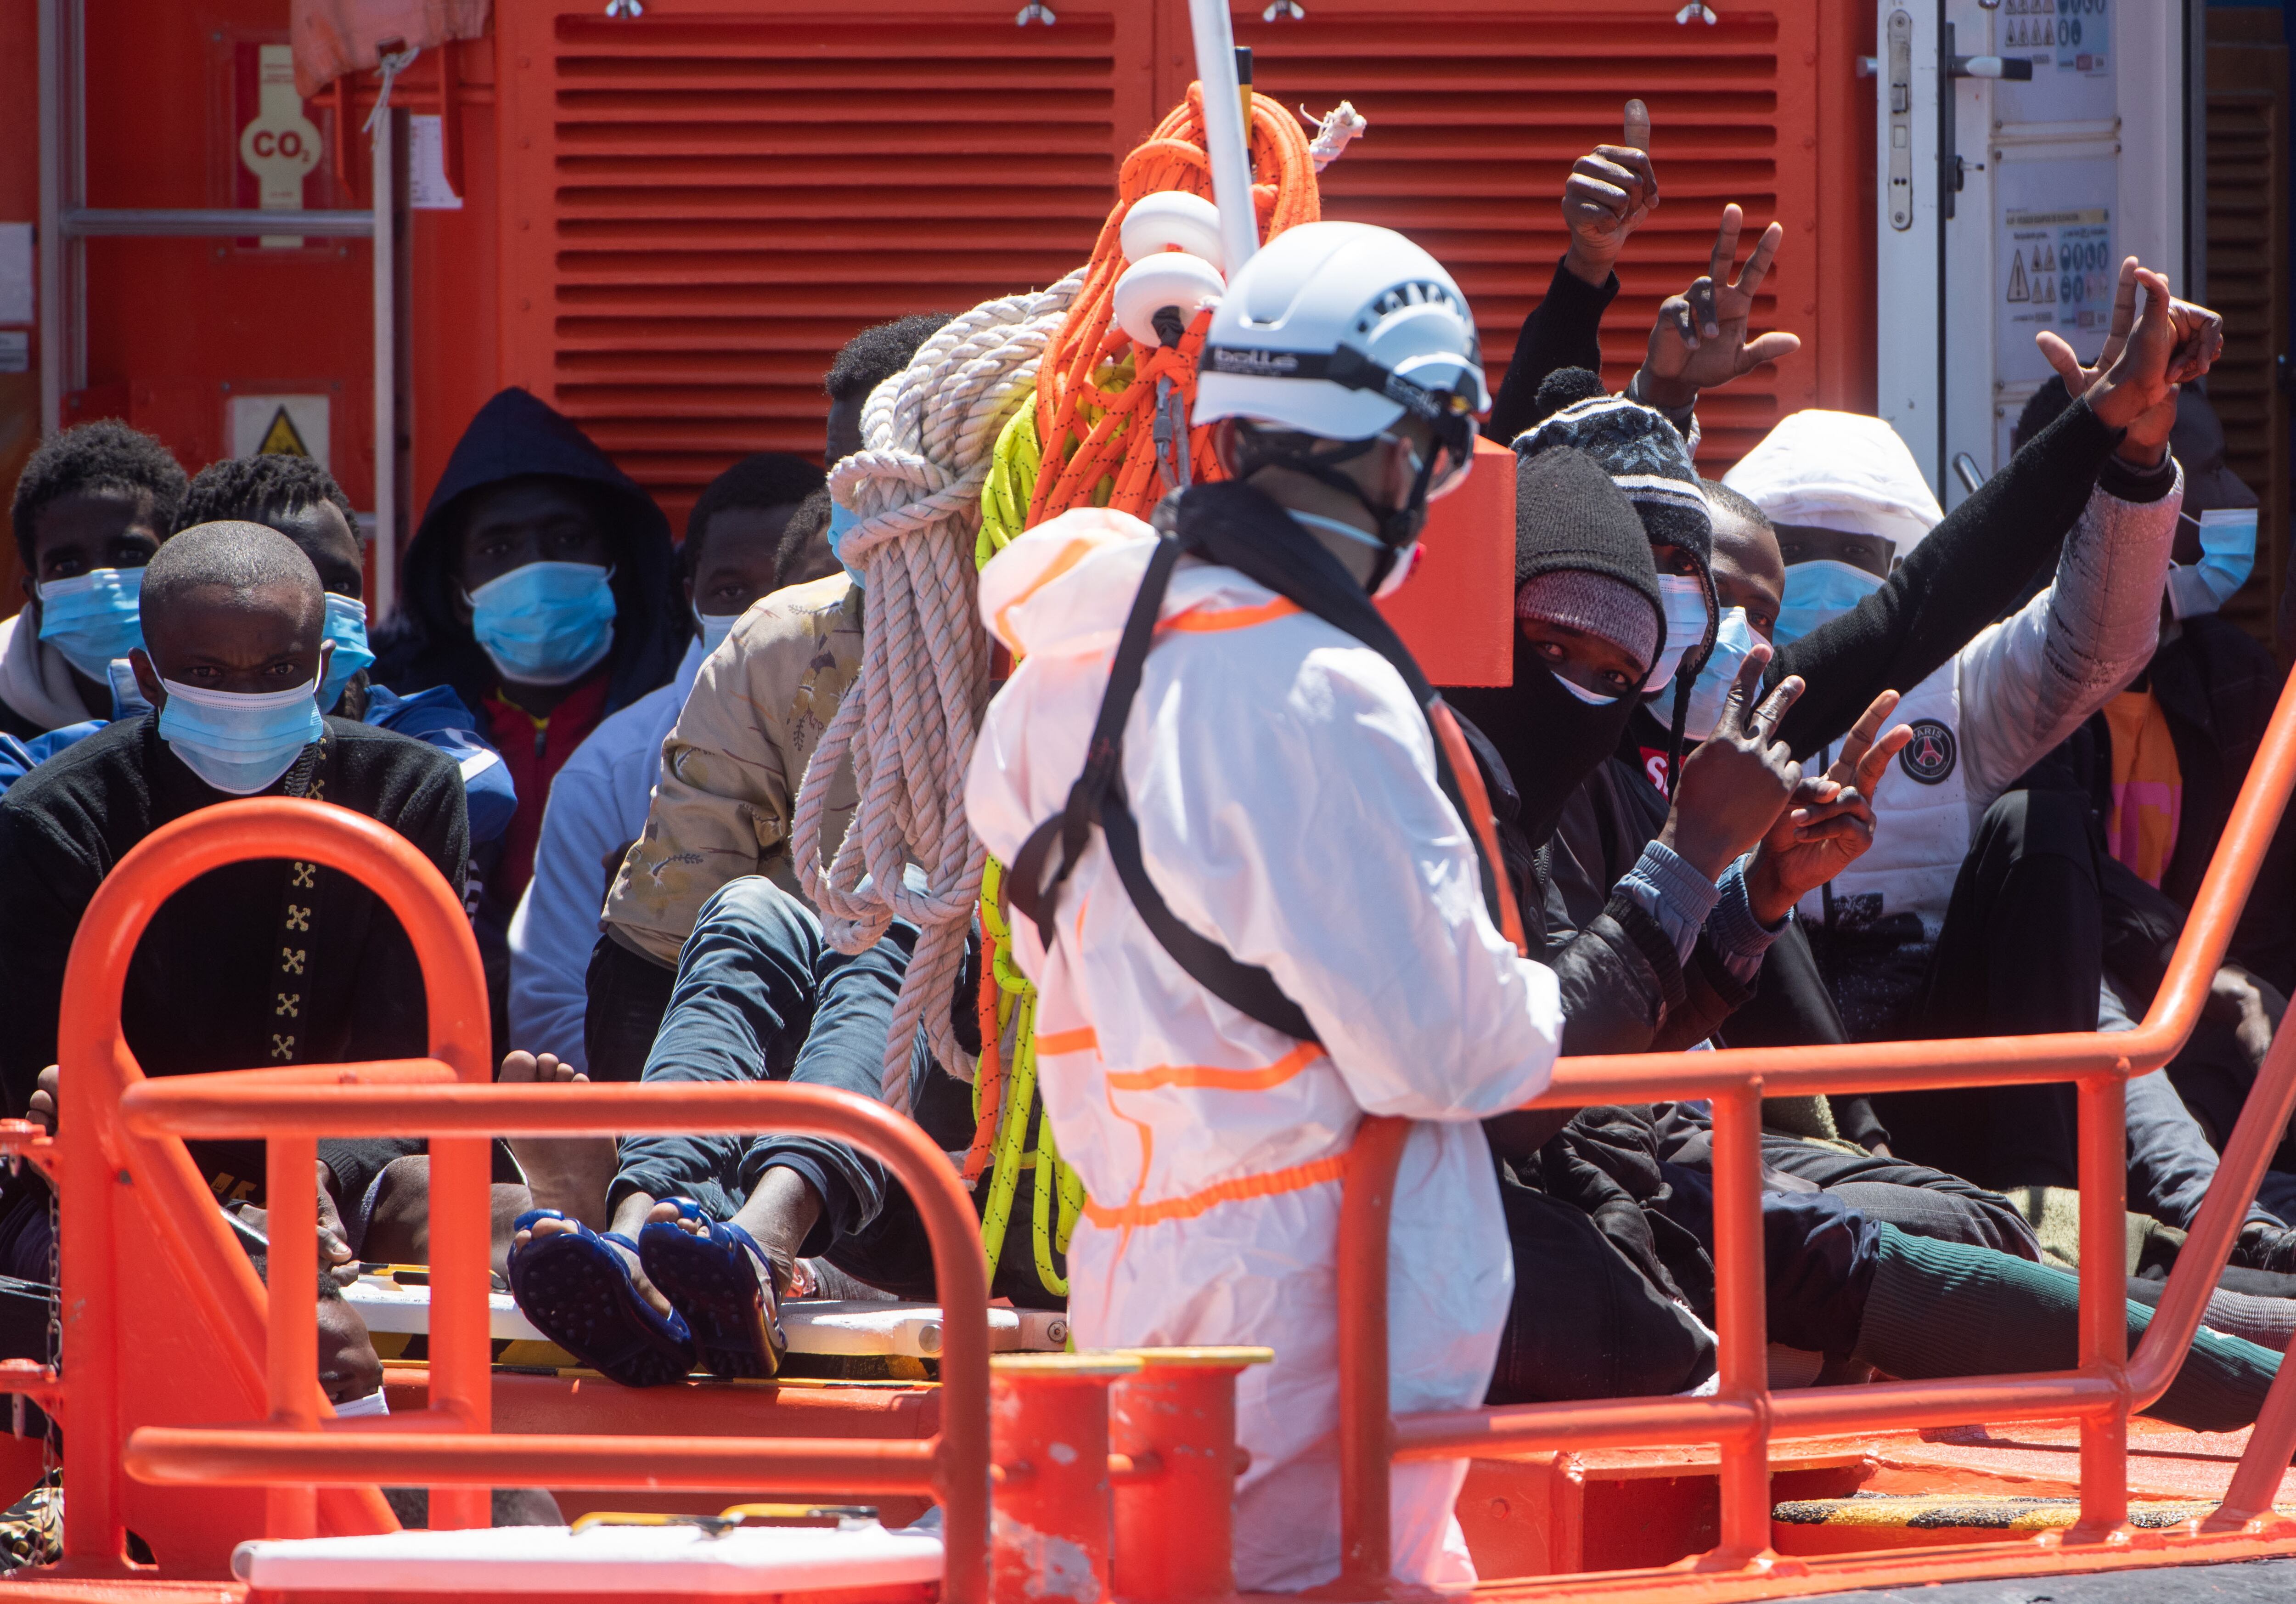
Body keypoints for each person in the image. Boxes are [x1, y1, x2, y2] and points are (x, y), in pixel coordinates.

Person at [968, 221, 1564, 1594]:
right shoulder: (1321, 693)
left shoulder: (1065, 672)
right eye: (1436, 458)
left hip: (1133, 1276)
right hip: (1314, 1311)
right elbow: (1457, 1053)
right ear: (1396, 453)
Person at [0, 521, 473, 1293]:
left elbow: (413, 1069)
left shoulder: (407, 793)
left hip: (339, 1164)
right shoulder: (55, 816)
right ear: (148, 677)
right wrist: (240, 1204)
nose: (246, 697)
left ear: (323, 668)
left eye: (280, 669)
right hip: (122, 1178)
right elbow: (48, 1082)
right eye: (208, 674)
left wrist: (313, 1176)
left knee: (488, 1213)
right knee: (243, 1297)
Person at [584, 315, 950, 1082]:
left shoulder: (1072, 634)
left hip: (1015, 1058)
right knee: (753, 912)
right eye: (836, 465)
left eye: (880, 462)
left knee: (899, 919)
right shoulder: (777, 644)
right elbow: (659, 939)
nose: (852, 491)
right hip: (804, 1053)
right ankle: (661, 1197)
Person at [370, 388, 685, 1033]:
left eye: (567, 537)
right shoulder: (412, 727)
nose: (536, 567)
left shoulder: (680, 718)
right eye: (499, 549)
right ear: (460, 595)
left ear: (614, 566)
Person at [507, 452, 824, 1075]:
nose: (763, 615)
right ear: (693, 597)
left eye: (791, 589)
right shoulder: (607, 773)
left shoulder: (910, 731)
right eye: (733, 591)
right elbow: (552, 1010)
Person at [2, 420, 188, 738]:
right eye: (68, 565)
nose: (102, 581)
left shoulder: (237, 684)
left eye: (130, 555)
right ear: (35, 596)